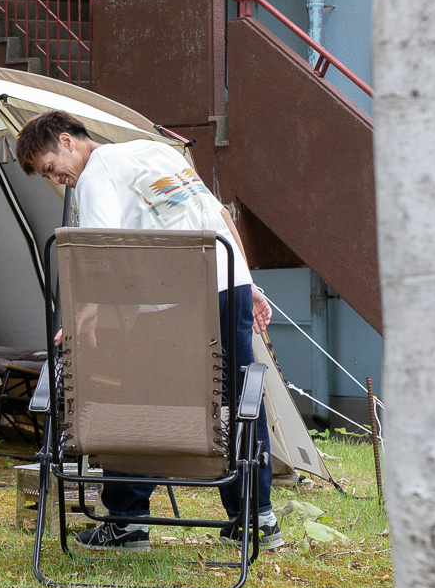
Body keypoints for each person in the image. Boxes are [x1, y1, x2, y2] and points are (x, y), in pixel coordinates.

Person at [15, 111, 282, 552]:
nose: (57, 180)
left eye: (50, 167)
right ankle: (255, 519)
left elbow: (97, 246)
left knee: (133, 397)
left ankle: (127, 521)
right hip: (227, 284)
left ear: (67, 141)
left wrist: (85, 315)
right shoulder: (158, 152)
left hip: (177, 297)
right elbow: (218, 216)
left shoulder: (96, 173)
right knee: (238, 397)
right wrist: (248, 283)